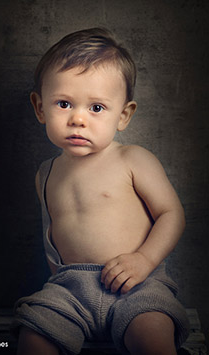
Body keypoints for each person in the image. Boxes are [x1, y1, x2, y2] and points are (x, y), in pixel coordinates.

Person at [13, 28, 189, 355]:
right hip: (69, 288)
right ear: (40, 108)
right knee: (33, 337)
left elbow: (172, 213)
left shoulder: (133, 159)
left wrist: (144, 259)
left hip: (138, 284)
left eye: (96, 108)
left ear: (123, 115)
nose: (78, 119)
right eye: (63, 104)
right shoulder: (46, 173)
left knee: (151, 336)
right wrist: (58, 281)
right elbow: (51, 233)